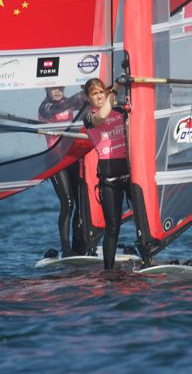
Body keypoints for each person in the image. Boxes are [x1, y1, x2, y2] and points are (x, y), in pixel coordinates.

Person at [82, 78, 134, 270]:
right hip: (109, 179)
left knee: (143, 218)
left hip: (130, 174)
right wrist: (115, 91)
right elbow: (102, 116)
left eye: (100, 92)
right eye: (94, 94)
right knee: (113, 228)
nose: (99, 96)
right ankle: (109, 271)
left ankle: (147, 257)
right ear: (88, 98)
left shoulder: (119, 111)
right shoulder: (89, 117)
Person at [38, 86, 87, 257]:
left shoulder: (70, 102)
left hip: (73, 156)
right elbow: (61, 107)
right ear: (47, 91)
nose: (57, 91)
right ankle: (66, 249)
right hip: (55, 160)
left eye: (60, 88)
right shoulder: (45, 107)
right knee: (67, 203)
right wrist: (81, 95)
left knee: (81, 203)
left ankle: (80, 245)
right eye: (53, 89)